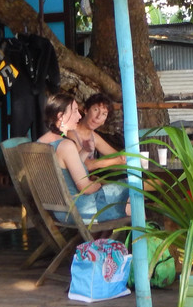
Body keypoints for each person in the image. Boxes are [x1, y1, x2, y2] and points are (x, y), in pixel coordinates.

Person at [37, 91, 129, 223]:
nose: (79, 115)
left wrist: (85, 151)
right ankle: (143, 233)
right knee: (131, 189)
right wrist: (101, 184)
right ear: (61, 116)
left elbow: (65, 169)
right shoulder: (66, 145)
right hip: (80, 211)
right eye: (75, 111)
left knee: (122, 191)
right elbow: (85, 187)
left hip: (59, 211)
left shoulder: (41, 142)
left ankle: (101, 238)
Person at [69, 93, 126, 171]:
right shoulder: (71, 133)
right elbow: (86, 165)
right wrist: (115, 161)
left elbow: (116, 155)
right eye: (96, 110)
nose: (98, 116)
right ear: (86, 110)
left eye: (104, 114)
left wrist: (123, 159)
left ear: (104, 121)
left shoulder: (94, 137)